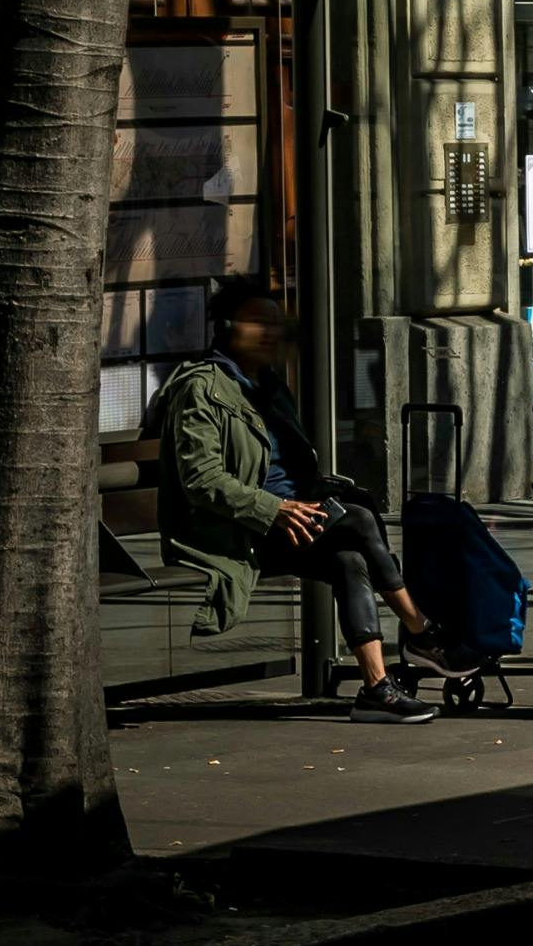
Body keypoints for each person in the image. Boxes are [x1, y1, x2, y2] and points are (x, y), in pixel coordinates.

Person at [154, 291, 460, 722]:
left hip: (286, 521)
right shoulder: (201, 388)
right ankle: (422, 633)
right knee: (357, 522)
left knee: (349, 558)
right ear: (226, 327)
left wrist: (309, 497)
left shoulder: (271, 386)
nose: (268, 333)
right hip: (235, 530)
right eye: (254, 321)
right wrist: (274, 509)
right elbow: (202, 481)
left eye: (274, 325)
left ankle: (376, 688)